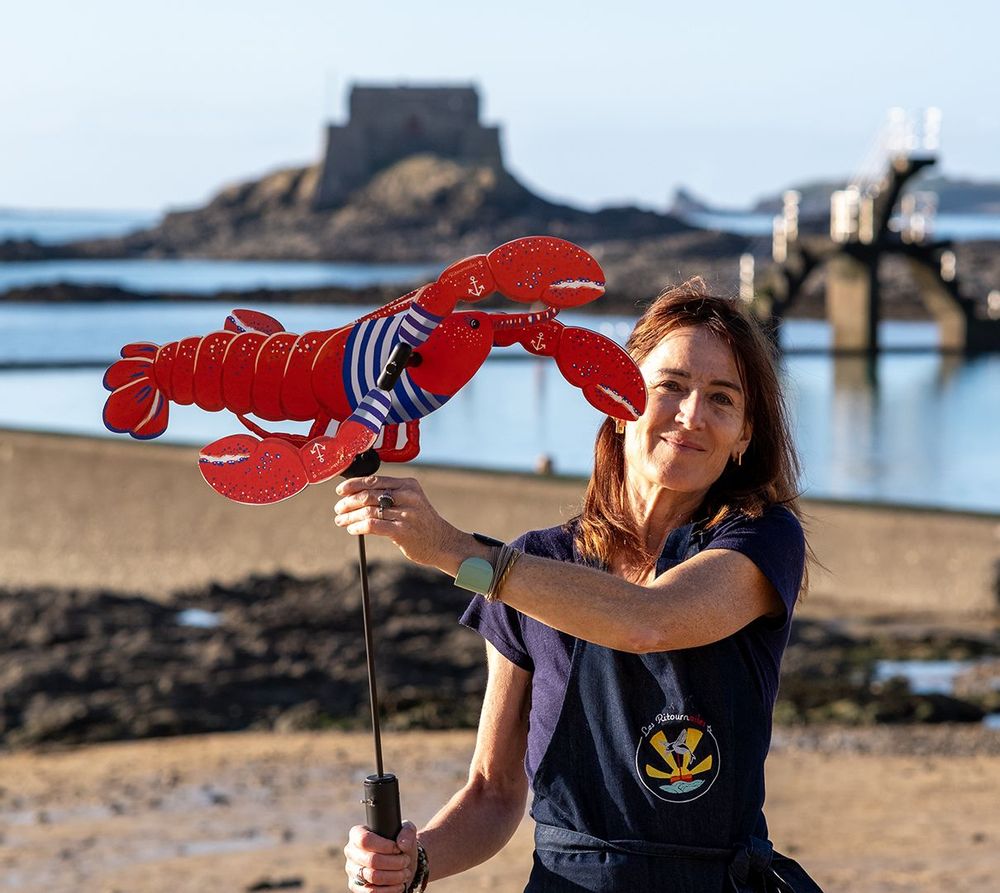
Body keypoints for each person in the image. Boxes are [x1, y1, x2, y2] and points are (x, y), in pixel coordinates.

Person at [334, 281, 815, 893]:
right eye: (670, 386)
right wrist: (414, 860)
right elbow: (493, 792)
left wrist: (458, 552)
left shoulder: (761, 541)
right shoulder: (538, 564)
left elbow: (651, 621)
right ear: (619, 401)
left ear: (744, 434)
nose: (692, 415)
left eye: (722, 399)